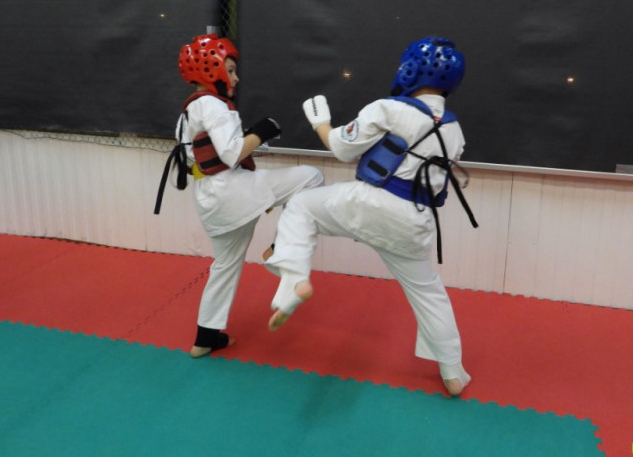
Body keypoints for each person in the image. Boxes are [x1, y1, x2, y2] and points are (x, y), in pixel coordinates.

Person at [263, 36, 476, 397]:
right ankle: (453, 372)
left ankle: (295, 279)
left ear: (411, 69)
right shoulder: (455, 131)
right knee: (429, 292)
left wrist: (320, 122)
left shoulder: (389, 109)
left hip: (370, 203)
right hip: (415, 221)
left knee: (301, 206)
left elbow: (342, 148)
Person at [156, 33, 323, 358]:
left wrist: (249, 141)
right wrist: (262, 130)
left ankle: (206, 337)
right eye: (230, 70)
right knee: (311, 177)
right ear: (212, 70)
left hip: (209, 200)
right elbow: (231, 153)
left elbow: (202, 157)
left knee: (225, 264)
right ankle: (282, 250)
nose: (236, 78)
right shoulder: (214, 105)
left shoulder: (187, 112)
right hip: (231, 191)